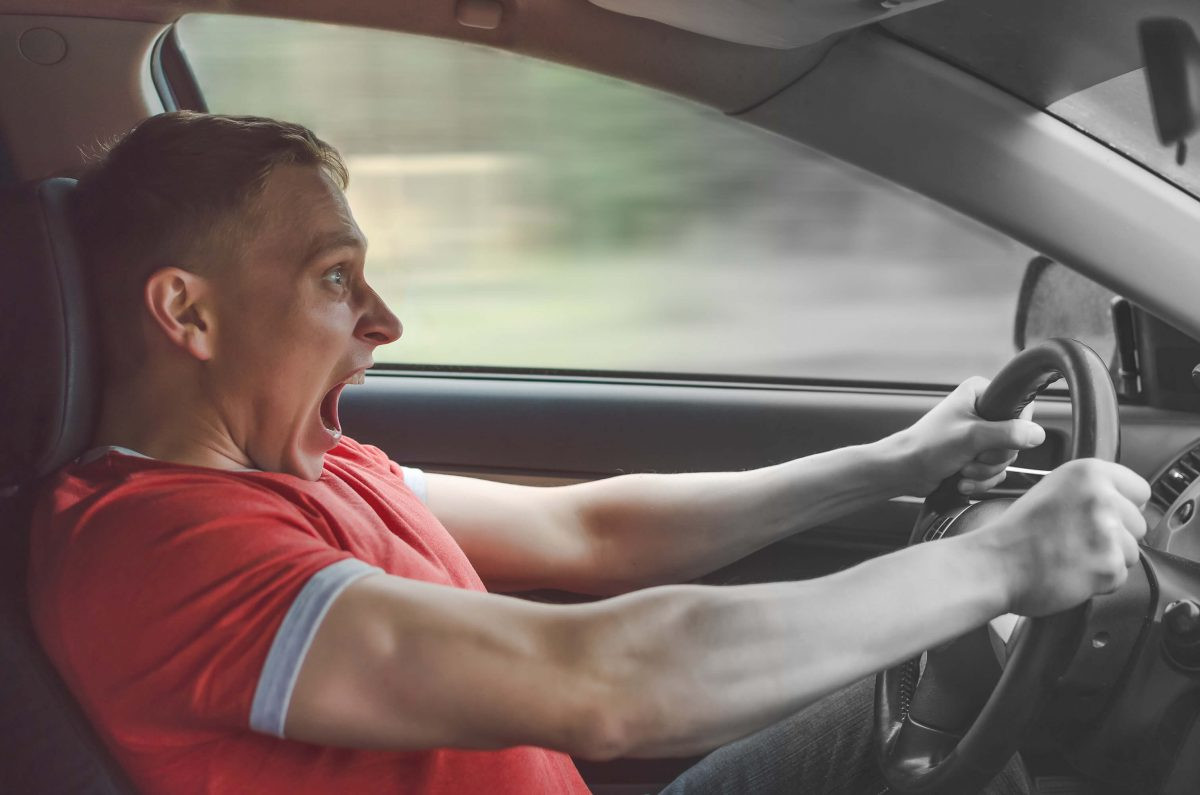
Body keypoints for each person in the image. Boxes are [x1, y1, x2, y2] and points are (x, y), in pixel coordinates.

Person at [27, 112, 1149, 795]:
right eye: (333, 278)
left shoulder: (309, 471)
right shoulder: (156, 551)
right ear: (189, 313)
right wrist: (995, 567)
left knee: (911, 689)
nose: (384, 321)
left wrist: (897, 462)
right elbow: (604, 686)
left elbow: (591, 530)